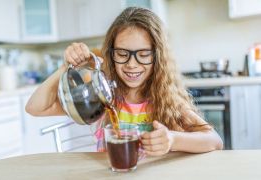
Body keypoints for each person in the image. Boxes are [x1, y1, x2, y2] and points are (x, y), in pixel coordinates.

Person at [26, 7, 223, 156]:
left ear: (158, 57)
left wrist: (172, 139)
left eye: (144, 54)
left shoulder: (166, 100)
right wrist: (66, 67)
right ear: (111, 54)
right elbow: (35, 108)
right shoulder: (101, 98)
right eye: (122, 53)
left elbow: (214, 140)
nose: (131, 64)